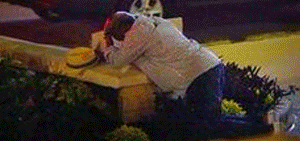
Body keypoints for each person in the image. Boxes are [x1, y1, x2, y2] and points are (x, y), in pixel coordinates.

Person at [96, 12, 225, 124]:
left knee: (209, 124)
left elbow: (117, 60)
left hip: (200, 75)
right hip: (207, 67)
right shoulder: (152, 22)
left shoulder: (139, 33)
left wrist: (108, 43)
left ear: (124, 29)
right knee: (205, 122)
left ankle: (246, 127)